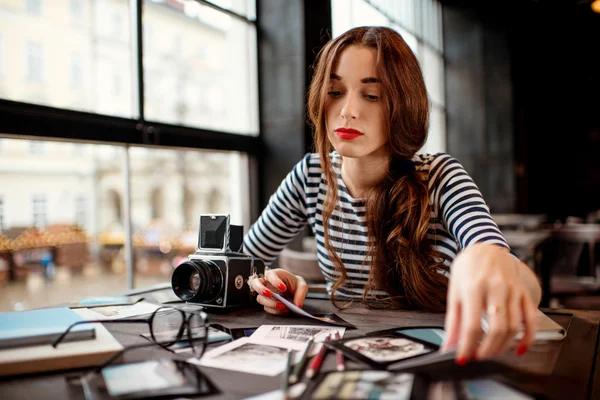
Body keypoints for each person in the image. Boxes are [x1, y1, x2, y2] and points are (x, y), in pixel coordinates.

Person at [244, 26, 541, 364]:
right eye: (335, 91)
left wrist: (489, 257)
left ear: (402, 105)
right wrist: (270, 283)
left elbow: (513, 275)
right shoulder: (311, 176)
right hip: (344, 357)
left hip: (440, 357)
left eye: (372, 96)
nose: (348, 110)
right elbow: (245, 262)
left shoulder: (440, 176)